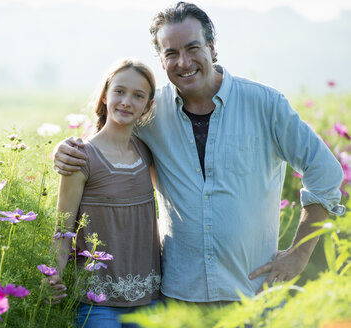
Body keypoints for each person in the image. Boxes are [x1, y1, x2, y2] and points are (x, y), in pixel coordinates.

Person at [53, 2, 345, 304]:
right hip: (177, 301)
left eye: (192, 48)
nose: (183, 62)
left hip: (253, 298)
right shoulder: (151, 112)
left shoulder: (265, 104)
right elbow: (110, 138)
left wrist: (299, 255)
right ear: (161, 60)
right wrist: (69, 149)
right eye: (171, 53)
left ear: (212, 47)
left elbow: (325, 172)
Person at [48, 58, 161, 327]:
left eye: (138, 96)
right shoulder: (81, 158)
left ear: (147, 106)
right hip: (97, 302)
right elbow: (62, 229)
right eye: (119, 91)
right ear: (105, 96)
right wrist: (52, 276)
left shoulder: (146, 153)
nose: (126, 101)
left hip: (149, 300)